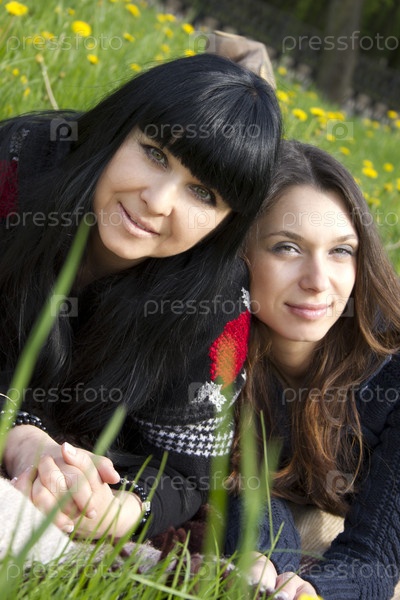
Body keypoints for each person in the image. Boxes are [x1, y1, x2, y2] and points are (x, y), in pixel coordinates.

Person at [0, 53, 282, 542]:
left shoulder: (216, 305)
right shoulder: (16, 168)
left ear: (227, 223)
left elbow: (189, 470)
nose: (158, 200)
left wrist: (120, 509)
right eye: (155, 154)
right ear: (117, 128)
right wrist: (20, 436)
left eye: (203, 193)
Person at [226, 139, 400, 599]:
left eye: (341, 251)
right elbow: (249, 485)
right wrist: (260, 560)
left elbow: (376, 552)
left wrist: (315, 592)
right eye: (287, 247)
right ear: (239, 252)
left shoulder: (390, 374)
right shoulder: (218, 349)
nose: (318, 281)